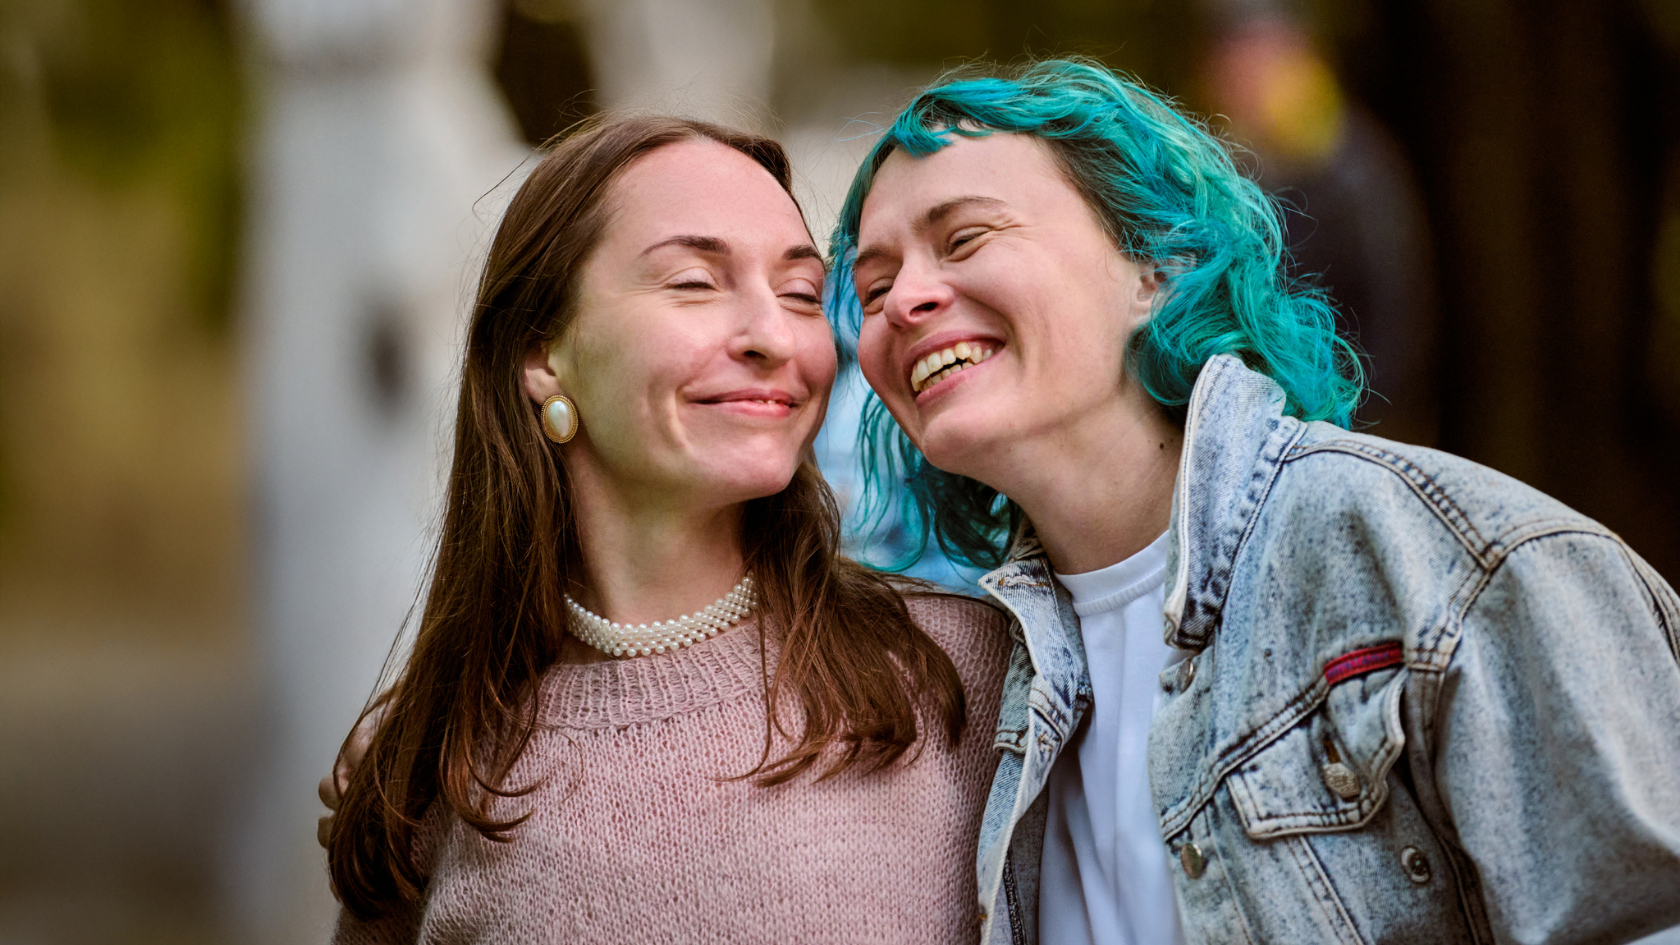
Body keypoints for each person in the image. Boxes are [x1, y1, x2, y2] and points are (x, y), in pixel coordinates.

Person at [828, 59, 1680, 945]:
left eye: (964, 239)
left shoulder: (1439, 558)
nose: (905, 303)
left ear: (1154, 266)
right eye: (875, 288)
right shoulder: (973, 673)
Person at [322, 113, 1011, 943]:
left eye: (800, 293)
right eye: (694, 281)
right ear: (543, 353)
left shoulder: (964, 677)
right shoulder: (434, 766)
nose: (772, 337)